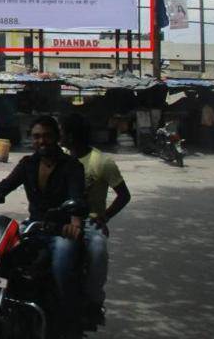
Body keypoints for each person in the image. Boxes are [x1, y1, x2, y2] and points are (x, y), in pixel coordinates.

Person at [0, 115, 85, 338]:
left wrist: (74, 225)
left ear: (57, 137)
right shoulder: (28, 163)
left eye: (47, 136)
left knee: (62, 267)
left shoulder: (71, 166)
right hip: (34, 227)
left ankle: (65, 321)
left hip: (60, 230)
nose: (42, 141)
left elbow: (76, 198)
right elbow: (5, 186)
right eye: (37, 137)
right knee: (3, 260)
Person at [62, 112, 131, 328]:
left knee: (99, 251)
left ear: (71, 135)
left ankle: (94, 302)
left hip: (90, 222)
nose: (59, 136)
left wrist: (105, 216)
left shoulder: (102, 162)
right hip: (60, 219)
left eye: (62, 132)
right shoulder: (60, 157)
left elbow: (124, 195)